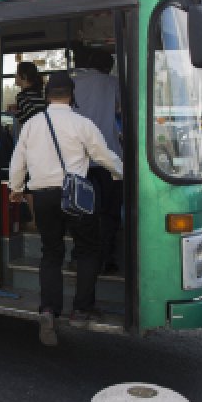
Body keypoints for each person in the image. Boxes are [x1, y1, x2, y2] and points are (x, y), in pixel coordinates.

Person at [9, 72, 122, 346]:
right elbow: (103, 156)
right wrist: (121, 174)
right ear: (72, 96)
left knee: (51, 253)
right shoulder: (82, 123)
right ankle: (81, 310)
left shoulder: (32, 124)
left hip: (42, 197)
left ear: (47, 96)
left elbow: (17, 161)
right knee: (87, 250)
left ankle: (48, 310)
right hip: (75, 196)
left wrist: (16, 188)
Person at [73, 48, 124, 274]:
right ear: (108, 67)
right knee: (109, 213)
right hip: (107, 158)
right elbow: (122, 109)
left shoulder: (75, 82)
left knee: (81, 211)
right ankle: (106, 259)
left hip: (78, 160)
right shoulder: (112, 83)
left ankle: (80, 256)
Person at [12, 62, 47, 229]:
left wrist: (16, 114)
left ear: (24, 77)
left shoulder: (22, 97)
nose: (15, 77)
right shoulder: (40, 94)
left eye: (17, 74)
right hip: (45, 143)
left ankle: (34, 220)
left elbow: (31, 118)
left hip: (32, 143)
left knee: (28, 183)